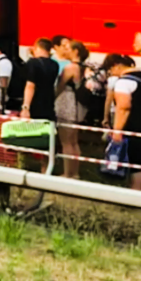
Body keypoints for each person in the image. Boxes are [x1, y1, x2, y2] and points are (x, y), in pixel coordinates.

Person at [103, 54, 141, 192]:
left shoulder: (124, 82)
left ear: (116, 66)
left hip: (134, 127)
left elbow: (123, 107)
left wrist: (117, 131)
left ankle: (136, 193)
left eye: (110, 70)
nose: (111, 74)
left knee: (136, 165)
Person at [54, 41, 89, 179]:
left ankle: (67, 173)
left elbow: (60, 86)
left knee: (66, 141)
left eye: (68, 49)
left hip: (67, 102)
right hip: (78, 104)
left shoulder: (70, 67)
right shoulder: (84, 67)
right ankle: (75, 172)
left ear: (75, 51)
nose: (65, 51)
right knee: (74, 141)